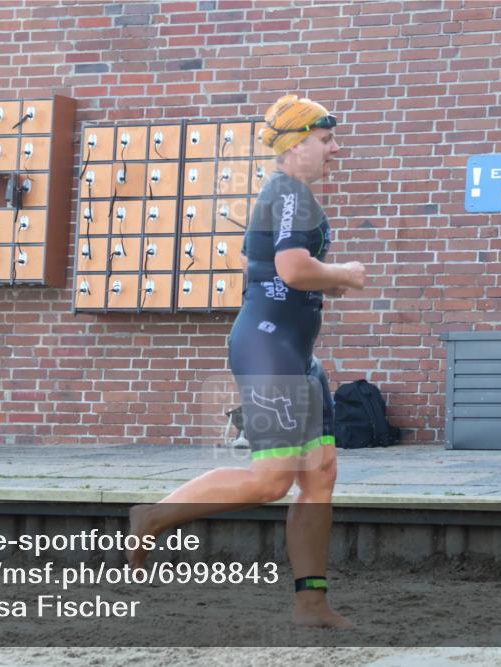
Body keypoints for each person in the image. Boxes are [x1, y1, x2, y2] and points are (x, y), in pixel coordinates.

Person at [127, 94, 366, 627]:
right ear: (297, 144)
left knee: (320, 475)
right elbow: (293, 269)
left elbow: (255, 263)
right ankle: (151, 517)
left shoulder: (285, 195)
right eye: (326, 140)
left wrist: (320, 284)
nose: (335, 149)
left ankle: (311, 603)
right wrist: (343, 274)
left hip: (294, 354)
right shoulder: (289, 194)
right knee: (270, 482)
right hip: (270, 351)